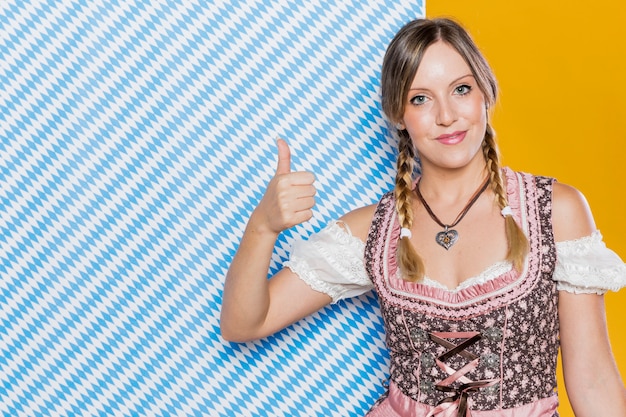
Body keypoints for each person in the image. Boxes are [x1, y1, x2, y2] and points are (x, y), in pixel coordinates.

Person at [220, 17, 626, 416]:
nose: (446, 115)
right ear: (398, 115)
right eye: (420, 98)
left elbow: (592, 378)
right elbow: (244, 324)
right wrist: (263, 226)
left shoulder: (556, 211)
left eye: (461, 90)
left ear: (485, 93)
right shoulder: (374, 230)